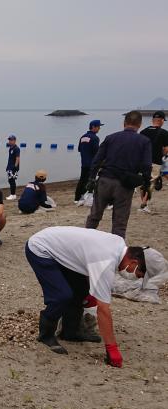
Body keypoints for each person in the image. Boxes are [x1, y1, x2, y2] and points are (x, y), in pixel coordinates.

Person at [25, 226, 165, 364]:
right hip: (40, 248)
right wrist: (112, 348)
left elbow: (85, 259)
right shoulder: (105, 261)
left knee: (80, 291)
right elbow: (103, 310)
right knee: (62, 296)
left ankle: (70, 332)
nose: (137, 278)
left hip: (57, 246)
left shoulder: (118, 244)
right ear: (134, 262)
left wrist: (90, 291)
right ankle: (46, 334)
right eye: (139, 275)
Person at [85, 111, 152, 239]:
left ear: (124, 123)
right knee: (119, 222)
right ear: (140, 124)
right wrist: (146, 184)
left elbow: (97, 160)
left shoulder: (110, 137)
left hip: (104, 180)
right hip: (125, 185)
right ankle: (117, 251)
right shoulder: (144, 141)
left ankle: (84, 241)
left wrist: (91, 178)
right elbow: (146, 166)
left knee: (94, 216)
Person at [139, 111, 168, 213]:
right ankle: (143, 205)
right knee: (151, 183)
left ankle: (143, 203)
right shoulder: (164, 133)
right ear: (161, 121)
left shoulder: (143, 132)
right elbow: (166, 150)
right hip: (155, 161)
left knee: (143, 182)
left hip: (142, 161)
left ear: (153, 120)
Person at [74, 120, 103, 205]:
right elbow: (97, 152)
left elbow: (79, 149)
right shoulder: (95, 138)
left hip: (84, 162)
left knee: (82, 180)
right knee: (90, 181)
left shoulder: (83, 137)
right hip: (92, 163)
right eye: (98, 127)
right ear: (93, 127)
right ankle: (85, 198)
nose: (99, 128)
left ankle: (77, 197)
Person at [5, 135, 21, 200]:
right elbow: (10, 158)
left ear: (14, 140)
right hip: (9, 166)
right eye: (9, 140)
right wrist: (7, 167)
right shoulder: (11, 148)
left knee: (12, 180)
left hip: (13, 167)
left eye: (11, 140)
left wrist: (15, 166)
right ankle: (12, 194)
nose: (10, 141)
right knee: (10, 180)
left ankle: (13, 194)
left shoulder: (16, 148)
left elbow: (18, 158)